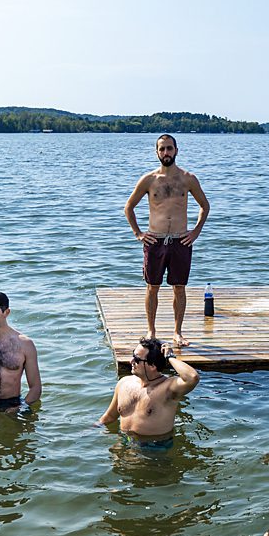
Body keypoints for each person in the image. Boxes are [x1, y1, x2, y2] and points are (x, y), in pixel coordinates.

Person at [124, 134, 210, 346]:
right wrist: (138, 234)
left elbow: (205, 206)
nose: (166, 153)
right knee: (152, 287)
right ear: (157, 153)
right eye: (162, 149)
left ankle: (177, 332)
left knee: (179, 287)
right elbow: (129, 208)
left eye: (169, 149)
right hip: (156, 241)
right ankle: (151, 330)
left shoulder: (188, 179)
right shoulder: (149, 180)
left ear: (176, 150)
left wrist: (196, 231)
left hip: (181, 241)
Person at [96, 337, 199, 448]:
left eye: (137, 359)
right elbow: (110, 416)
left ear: (152, 366)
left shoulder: (168, 389)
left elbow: (192, 377)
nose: (131, 361)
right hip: (124, 441)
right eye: (133, 356)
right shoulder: (124, 383)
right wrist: (87, 432)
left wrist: (170, 357)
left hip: (154, 448)